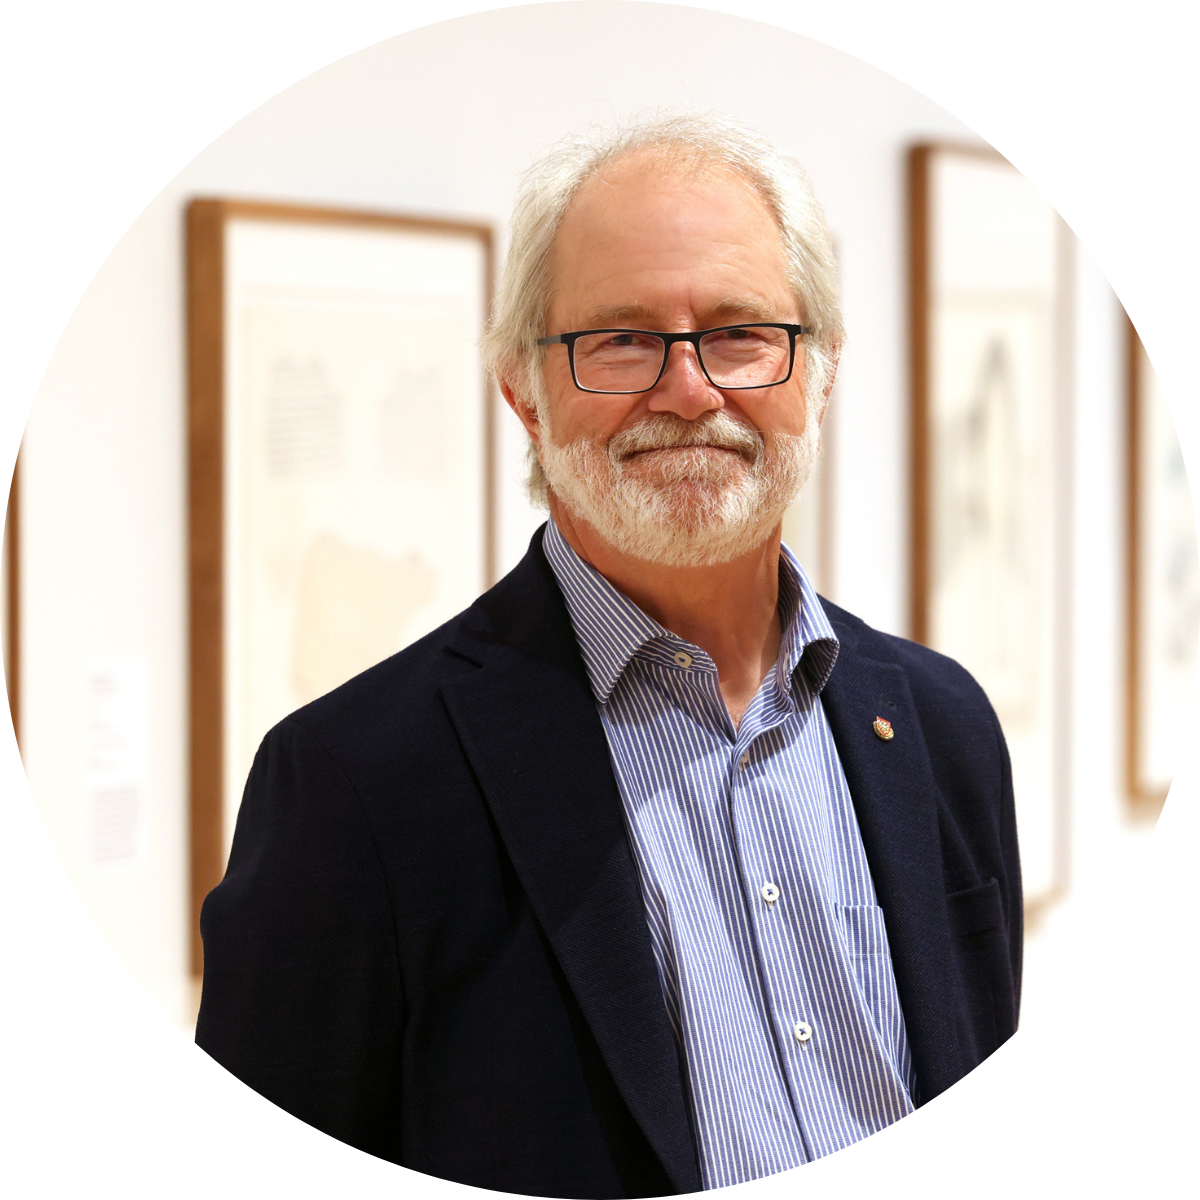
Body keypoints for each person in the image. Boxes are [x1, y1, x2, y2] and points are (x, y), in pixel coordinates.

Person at [196, 112, 1021, 1198]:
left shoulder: (942, 727)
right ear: (523, 393)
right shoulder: (354, 785)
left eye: (740, 332)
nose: (688, 390)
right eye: (621, 338)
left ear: (817, 374)